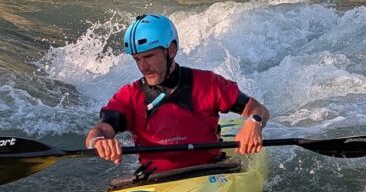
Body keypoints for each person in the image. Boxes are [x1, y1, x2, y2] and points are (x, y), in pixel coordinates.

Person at [85, 14, 270, 175]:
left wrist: (254, 122)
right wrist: (99, 141)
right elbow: (99, 131)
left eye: (149, 56)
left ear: (171, 50)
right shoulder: (129, 96)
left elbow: (258, 109)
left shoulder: (207, 83)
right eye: (137, 59)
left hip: (211, 171)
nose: (143, 67)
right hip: (157, 181)